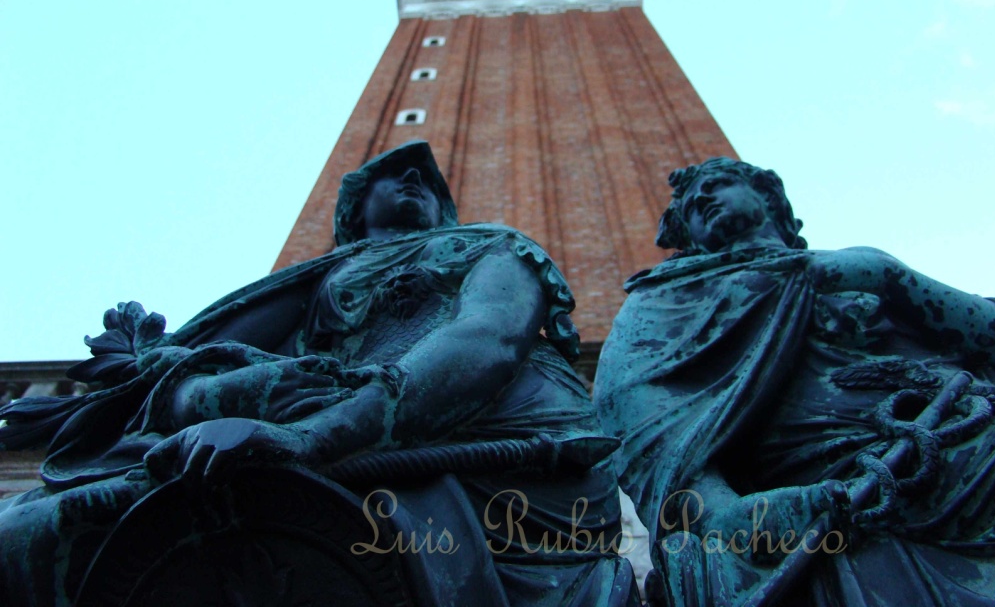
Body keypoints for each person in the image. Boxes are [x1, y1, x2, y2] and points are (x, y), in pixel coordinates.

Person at [1, 140, 639, 607]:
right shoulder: (317, 281)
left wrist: (312, 435)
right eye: (394, 174)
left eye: (426, 179)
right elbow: (187, 372)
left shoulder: (486, 244)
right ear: (354, 210)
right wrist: (220, 393)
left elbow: (486, 340)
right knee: (24, 537)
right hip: (320, 433)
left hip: (488, 445)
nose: (414, 179)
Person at [594, 157, 995, 606]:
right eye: (688, 208)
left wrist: (891, 278)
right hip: (853, 475)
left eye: (717, 183)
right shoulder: (669, 299)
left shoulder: (860, 265)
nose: (702, 198)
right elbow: (641, 424)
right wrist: (722, 512)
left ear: (770, 199)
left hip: (976, 428)